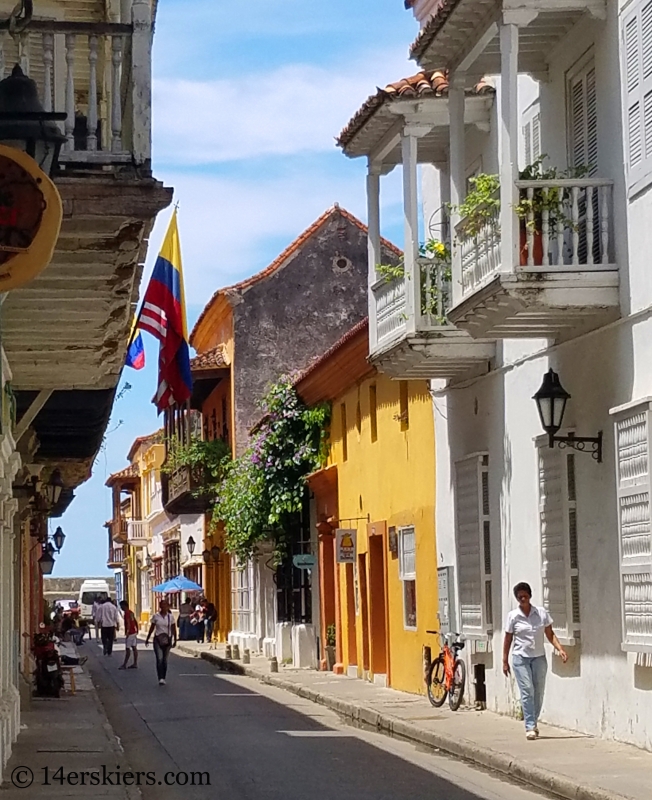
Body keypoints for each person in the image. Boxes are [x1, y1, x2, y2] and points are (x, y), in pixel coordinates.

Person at [503, 582, 568, 740]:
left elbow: (549, 633)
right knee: (527, 690)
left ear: (530, 596)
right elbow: (508, 638)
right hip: (520, 658)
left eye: (525, 595)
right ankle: (530, 726)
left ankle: (533, 720)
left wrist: (560, 649)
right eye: (519, 597)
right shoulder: (513, 616)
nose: (523, 599)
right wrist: (504, 660)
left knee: (538, 692)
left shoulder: (540, 613)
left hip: (539, 657)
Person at [145, 599, 177, 685]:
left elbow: (173, 628)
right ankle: (160, 677)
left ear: (168, 606)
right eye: (162, 605)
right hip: (158, 640)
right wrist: (147, 638)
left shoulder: (170, 617)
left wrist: (175, 640)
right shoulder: (156, 616)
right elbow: (152, 628)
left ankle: (163, 677)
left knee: (165, 660)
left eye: (165, 605)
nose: (164, 607)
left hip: (167, 640)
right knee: (159, 659)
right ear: (160, 606)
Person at [119, 600, 139, 670]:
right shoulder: (131, 612)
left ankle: (124, 664)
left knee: (128, 649)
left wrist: (127, 632)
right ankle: (135, 663)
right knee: (134, 647)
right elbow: (135, 621)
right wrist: (137, 629)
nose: (121, 608)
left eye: (121, 606)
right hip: (134, 632)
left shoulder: (126, 614)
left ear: (124, 606)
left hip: (130, 632)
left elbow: (128, 623)